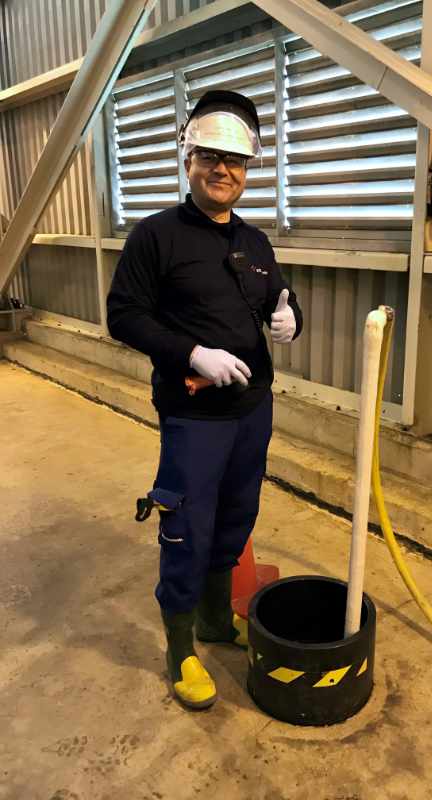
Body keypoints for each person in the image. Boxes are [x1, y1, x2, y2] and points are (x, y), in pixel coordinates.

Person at [106, 90, 302, 709]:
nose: (223, 171)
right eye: (210, 157)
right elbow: (124, 316)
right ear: (188, 159)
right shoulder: (156, 237)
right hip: (194, 417)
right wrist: (191, 354)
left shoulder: (257, 241)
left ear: (248, 171)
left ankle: (218, 622)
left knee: (237, 517)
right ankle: (181, 648)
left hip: (253, 412)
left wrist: (293, 315)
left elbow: (278, 296)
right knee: (187, 526)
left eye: (235, 162)